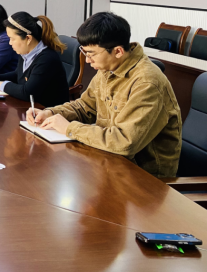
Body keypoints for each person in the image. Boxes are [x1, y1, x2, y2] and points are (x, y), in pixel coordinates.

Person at [27, 12, 182, 178]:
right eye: (84, 52)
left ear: (118, 51)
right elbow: (85, 106)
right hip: (108, 161)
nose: (87, 60)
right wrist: (51, 113)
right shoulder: (109, 68)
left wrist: (70, 129)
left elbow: (125, 141)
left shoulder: (147, 83)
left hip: (143, 178)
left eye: (91, 54)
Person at [0, 11, 69, 107]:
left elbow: (28, 93)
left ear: (28, 39)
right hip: (30, 108)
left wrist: (2, 85)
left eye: (12, 39)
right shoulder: (26, 53)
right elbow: (18, 75)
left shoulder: (46, 59)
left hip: (48, 111)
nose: (10, 43)